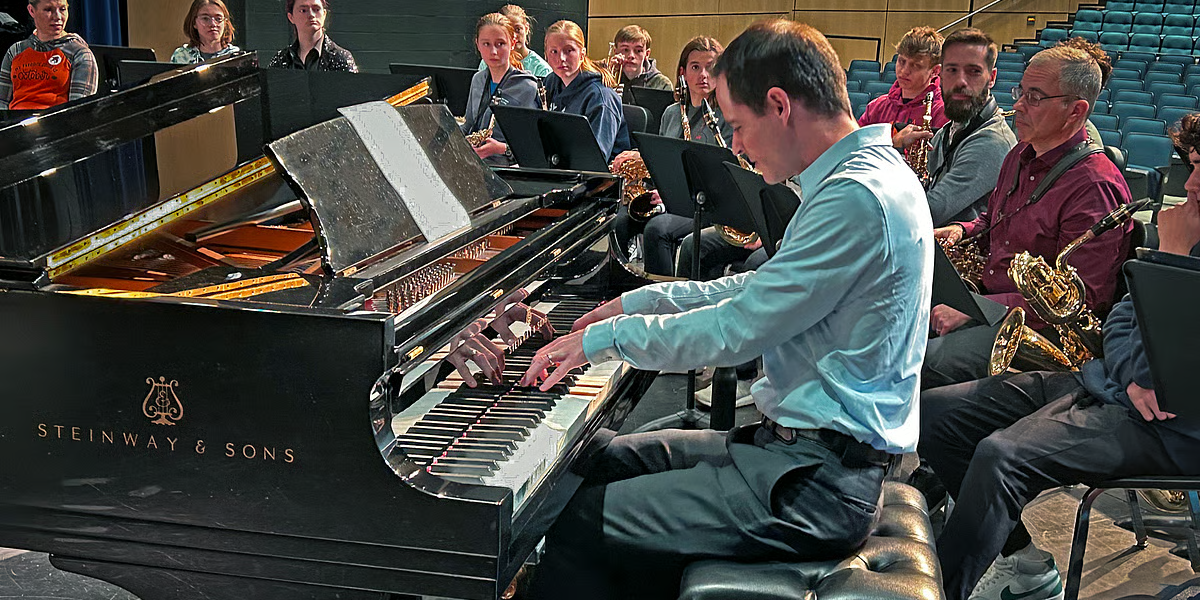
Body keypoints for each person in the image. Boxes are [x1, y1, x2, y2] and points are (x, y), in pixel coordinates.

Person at [517, 19, 933, 600]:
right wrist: (632, 301)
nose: (735, 146)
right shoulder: (856, 182)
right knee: (601, 459)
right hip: (791, 454)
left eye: (738, 126)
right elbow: (748, 289)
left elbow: (737, 331)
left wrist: (601, 340)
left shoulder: (856, 198)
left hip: (814, 486)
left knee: (583, 520)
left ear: (779, 105)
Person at [918, 113, 1200, 600]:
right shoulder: (1190, 230)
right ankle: (1020, 559)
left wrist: (1171, 259)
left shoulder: (1180, 239)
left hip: (1175, 427)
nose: (1192, 184)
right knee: (933, 413)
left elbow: (1174, 378)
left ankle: (937, 590)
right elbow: (1120, 319)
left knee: (1000, 455)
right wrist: (1130, 375)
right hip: (1111, 387)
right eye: (1192, 166)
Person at [924, 44, 1132, 389]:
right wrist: (961, 230)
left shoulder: (1095, 186)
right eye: (1020, 91)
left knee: (927, 361)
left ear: (1075, 111)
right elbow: (993, 220)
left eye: (1034, 97)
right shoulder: (1020, 153)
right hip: (991, 303)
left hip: (1041, 333)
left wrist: (979, 309)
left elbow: (1078, 302)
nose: (1018, 105)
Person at [609, 35, 729, 277]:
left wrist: (672, 193)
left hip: (706, 202)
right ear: (683, 72)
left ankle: (662, 297)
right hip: (668, 197)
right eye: (695, 67)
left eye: (711, 67)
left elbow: (722, 173)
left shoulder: (728, 116)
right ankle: (619, 290)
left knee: (657, 230)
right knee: (618, 222)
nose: (703, 75)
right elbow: (663, 163)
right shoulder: (672, 113)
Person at [923, 28, 1016, 226]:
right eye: (952, 70)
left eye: (974, 71)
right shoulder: (946, 132)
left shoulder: (993, 142)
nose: (960, 81)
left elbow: (931, 211)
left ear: (991, 78)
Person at [542, 20, 631, 161]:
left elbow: (595, 159)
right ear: (546, 54)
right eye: (554, 51)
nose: (561, 58)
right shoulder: (550, 83)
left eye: (569, 50)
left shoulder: (601, 97)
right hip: (557, 166)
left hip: (595, 178)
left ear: (582, 54)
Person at [461, 12, 539, 166]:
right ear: (477, 44)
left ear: (512, 42)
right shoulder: (478, 80)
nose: (493, 52)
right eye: (486, 44)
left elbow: (534, 148)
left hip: (509, 172)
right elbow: (468, 125)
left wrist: (502, 149)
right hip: (473, 166)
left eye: (500, 44)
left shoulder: (527, 87)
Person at [859, 26, 950, 153]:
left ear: (935, 71)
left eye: (916, 65)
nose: (904, 71)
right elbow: (855, 149)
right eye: (902, 61)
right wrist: (894, 143)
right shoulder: (877, 107)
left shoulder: (943, 112)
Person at [0, 0, 96, 110]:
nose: (58, 17)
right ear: (31, 10)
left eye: (63, 9)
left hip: (57, 124)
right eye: (48, 10)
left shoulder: (79, 54)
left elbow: (78, 111)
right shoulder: (16, 51)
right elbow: (1, 103)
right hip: (15, 123)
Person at [268, 0, 357, 73]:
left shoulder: (340, 58)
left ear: (324, 14)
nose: (311, 15)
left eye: (316, 9)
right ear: (291, 17)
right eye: (303, 10)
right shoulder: (280, 59)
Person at [477, 4, 552, 78]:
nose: (514, 36)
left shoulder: (541, 69)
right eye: (509, 31)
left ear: (526, 28)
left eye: (517, 29)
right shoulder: (489, 60)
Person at [170, 0, 241, 65]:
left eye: (218, 19)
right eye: (205, 18)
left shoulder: (236, 57)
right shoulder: (181, 56)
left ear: (225, 23)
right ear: (194, 22)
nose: (213, 24)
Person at [607, 25, 672, 91]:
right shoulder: (605, 80)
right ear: (616, 52)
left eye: (638, 51)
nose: (631, 55)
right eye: (625, 50)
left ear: (647, 54)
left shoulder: (662, 84)